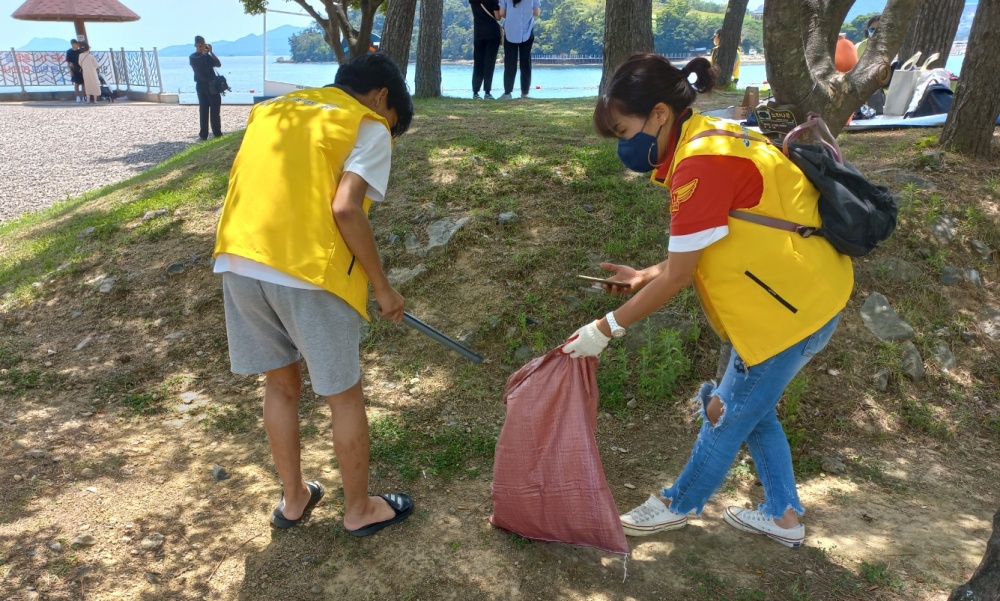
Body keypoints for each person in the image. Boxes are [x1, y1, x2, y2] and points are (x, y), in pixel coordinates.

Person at [562, 53, 853, 548]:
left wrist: (603, 330)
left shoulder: (700, 160)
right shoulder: (708, 135)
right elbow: (701, 247)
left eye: (624, 129)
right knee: (752, 410)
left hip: (786, 313)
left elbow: (680, 276)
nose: (624, 145)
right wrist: (643, 276)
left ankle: (678, 503)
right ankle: (785, 516)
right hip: (800, 297)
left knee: (724, 411)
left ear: (658, 114)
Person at [212, 53, 416, 537]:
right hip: (307, 271)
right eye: (393, 123)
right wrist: (382, 287)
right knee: (343, 395)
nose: (389, 131)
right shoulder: (366, 124)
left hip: (238, 259)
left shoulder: (272, 110)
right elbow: (346, 208)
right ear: (383, 98)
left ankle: (294, 499)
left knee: (280, 386)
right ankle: (360, 509)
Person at [498, 0, 541, 99]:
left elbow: (502, 13)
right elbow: (536, 12)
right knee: (525, 63)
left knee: (510, 63)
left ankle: (507, 93)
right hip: (527, 31)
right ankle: (525, 93)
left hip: (510, 31)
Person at [189, 35, 222, 140]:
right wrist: (206, 53)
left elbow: (218, 64)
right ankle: (203, 135)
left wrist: (211, 52)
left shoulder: (206, 56)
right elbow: (198, 61)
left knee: (215, 110)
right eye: (201, 44)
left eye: (203, 44)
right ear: (196, 45)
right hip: (202, 86)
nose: (202, 46)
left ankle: (217, 133)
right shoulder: (193, 57)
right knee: (203, 110)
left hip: (212, 85)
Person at [470, 0, 502, 99]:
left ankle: (475, 92)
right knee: (489, 63)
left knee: (478, 63)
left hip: (478, 33)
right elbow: (498, 17)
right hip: (492, 33)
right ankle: (487, 92)